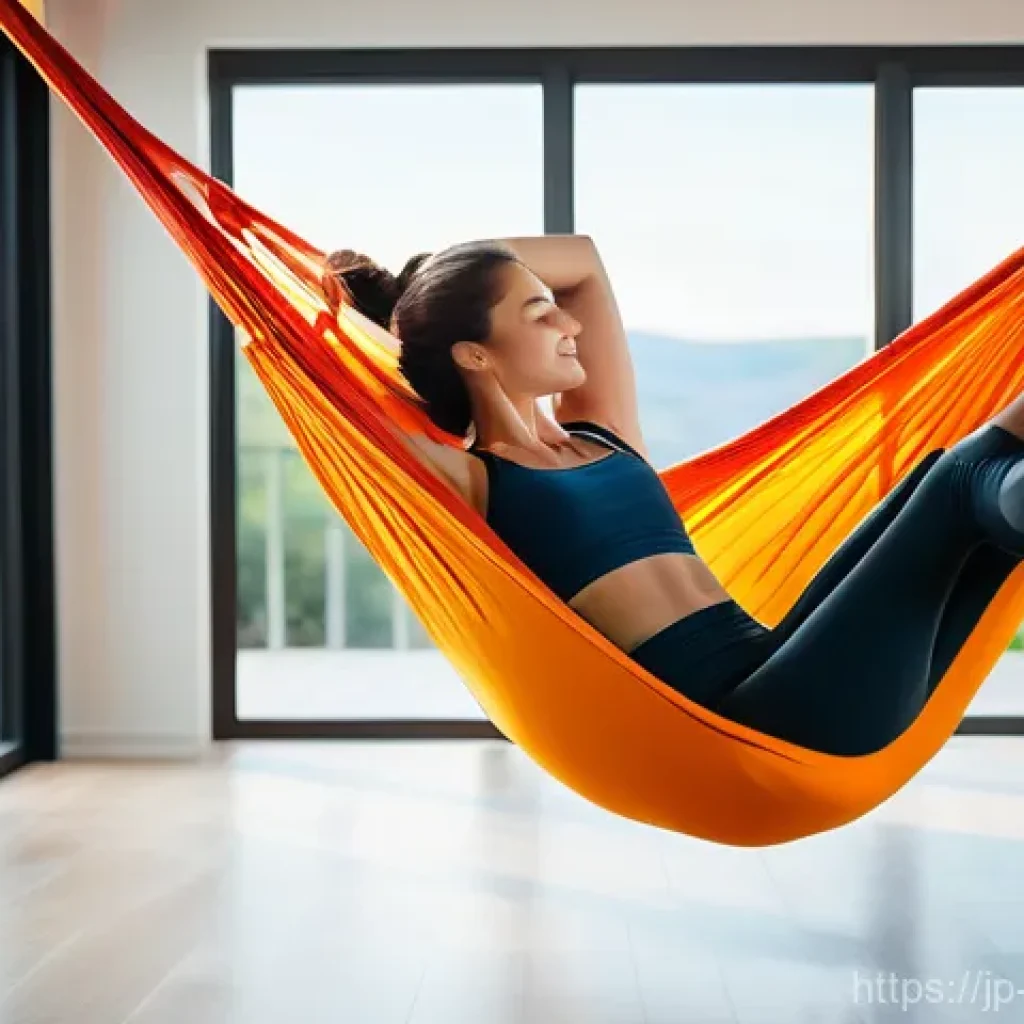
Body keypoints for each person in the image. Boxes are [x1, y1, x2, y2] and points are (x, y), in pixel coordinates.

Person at [323, 235, 1024, 756]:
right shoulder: (474, 478)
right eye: (539, 313)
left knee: (947, 481)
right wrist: (306, 307)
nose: (568, 325)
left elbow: (585, 263)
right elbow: (336, 400)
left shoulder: (603, 435)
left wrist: (444, 268)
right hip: (758, 724)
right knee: (956, 486)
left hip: (791, 663)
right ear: (473, 354)